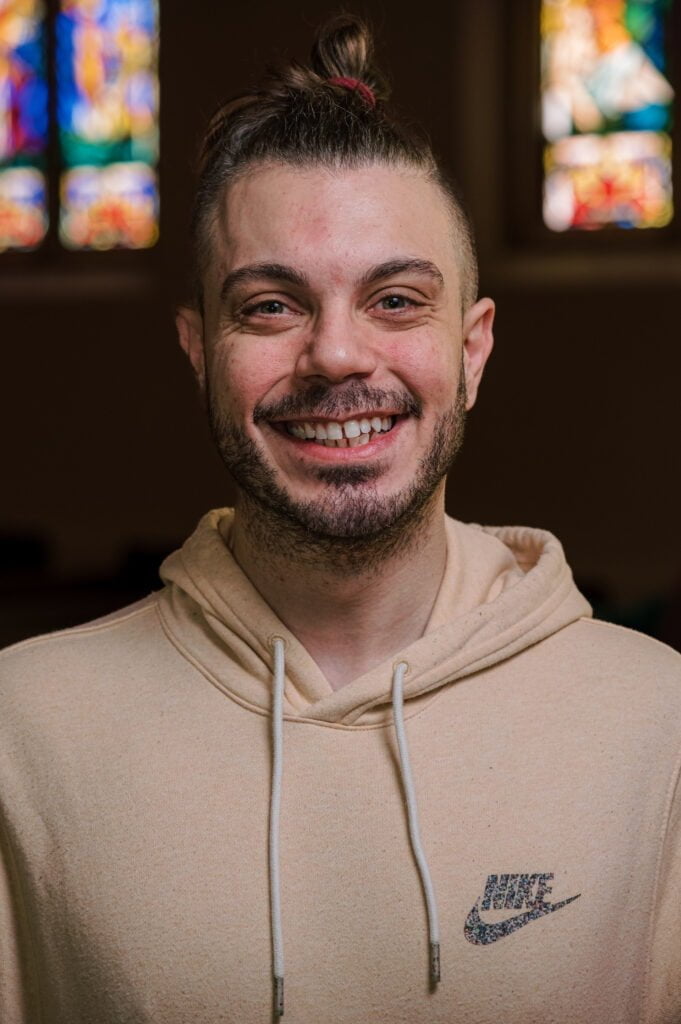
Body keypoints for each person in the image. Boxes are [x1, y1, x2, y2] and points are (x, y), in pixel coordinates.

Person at [1, 15, 680, 1024]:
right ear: (199, 349)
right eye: (270, 306)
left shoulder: (660, 725)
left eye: (397, 299)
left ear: (473, 347)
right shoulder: (23, 728)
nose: (336, 356)